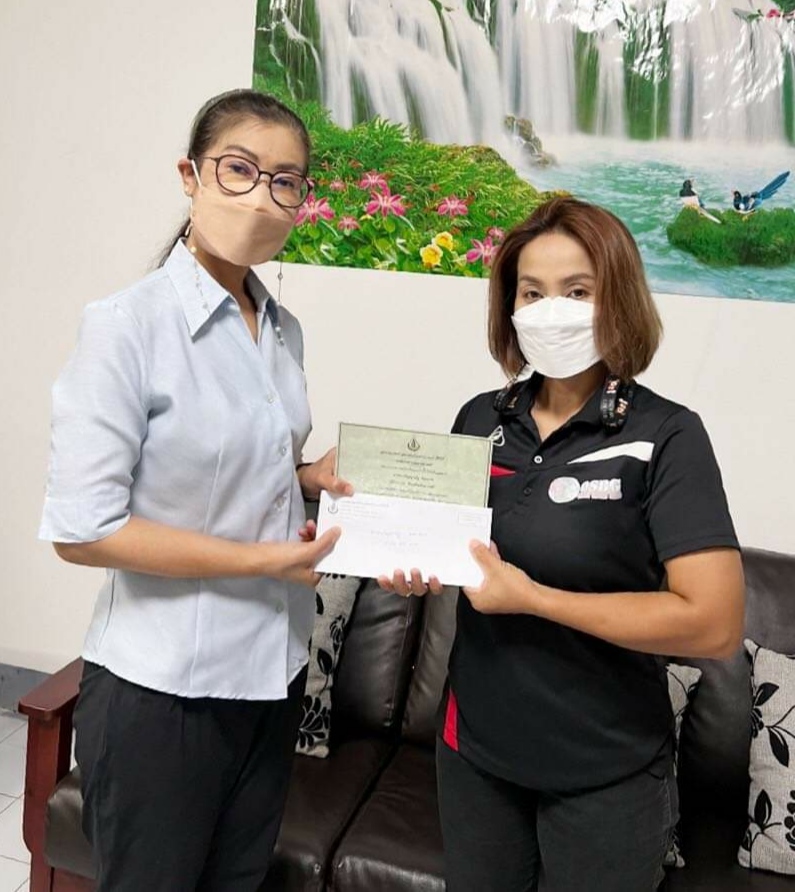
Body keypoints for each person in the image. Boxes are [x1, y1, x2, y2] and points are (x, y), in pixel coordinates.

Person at [380, 197, 744, 891]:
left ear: (619, 300)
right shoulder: (479, 418)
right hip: (474, 755)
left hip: (605, 773)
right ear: (509, 307)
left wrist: (536, 599)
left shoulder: (667, 436)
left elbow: (714, 623)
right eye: (532, 293)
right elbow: (450, 551)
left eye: (578, 291)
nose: (553, 311)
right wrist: (409, 563)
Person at [39, 88, 351, 892]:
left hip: (272, 674)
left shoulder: (281, 329)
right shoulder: (126, 326)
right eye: (239, 169)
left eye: (285, 182)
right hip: (161, 693)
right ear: (191, 175)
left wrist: (306, 475)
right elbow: (85, 529)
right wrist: (264, 562)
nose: (261, 197)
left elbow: (228, 466)